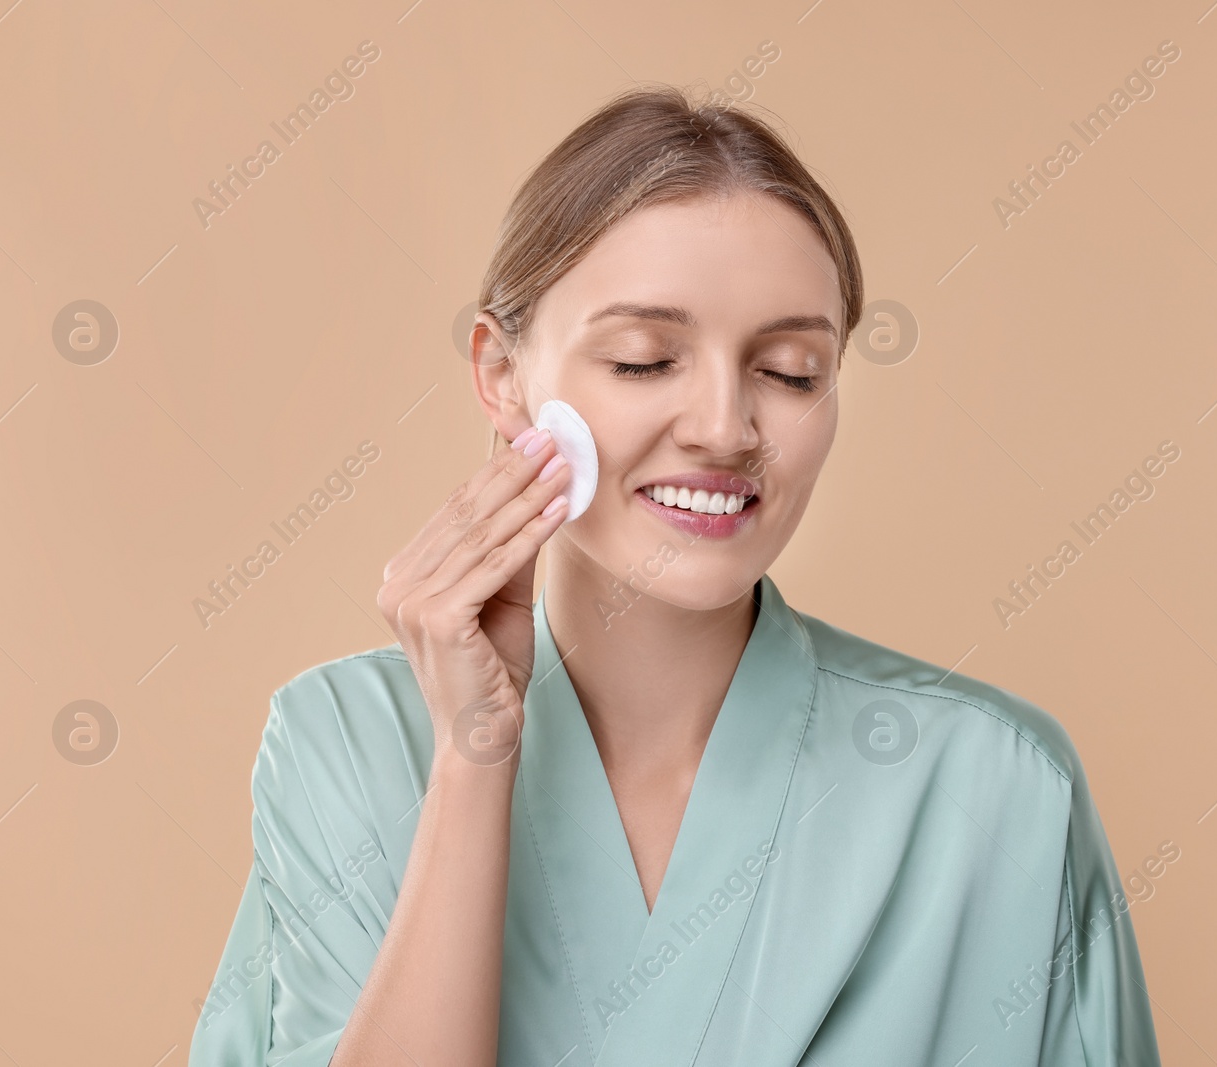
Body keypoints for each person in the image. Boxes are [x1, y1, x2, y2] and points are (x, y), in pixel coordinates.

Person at [190, 84, 1162, 1067]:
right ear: (501, 375)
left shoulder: (994, 783)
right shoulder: (343, 748)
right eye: (645, 359)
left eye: (789, 371)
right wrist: (473, 761)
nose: (724, 426)